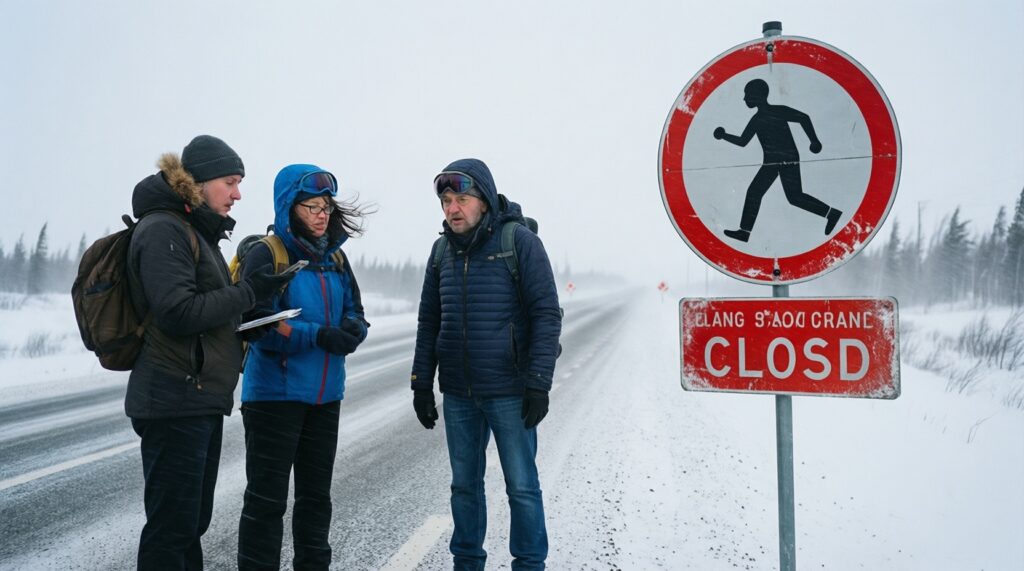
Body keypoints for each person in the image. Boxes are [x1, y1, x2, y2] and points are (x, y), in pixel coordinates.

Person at [126, 135, 295, 570]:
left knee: (189, 524)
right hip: (173, 397)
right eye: (230, 182)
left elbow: (206, 315)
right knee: (171, 529)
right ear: (198, 182)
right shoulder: (165, 228)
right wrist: (248, 291)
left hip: (196, 397)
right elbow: (178, 313)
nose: (238, 194)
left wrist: (249, 325)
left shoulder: (194, 231)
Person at [411, 158, 562, 570]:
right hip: (459, 393)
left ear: (485, 201)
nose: (452, 209)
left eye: (461, 198)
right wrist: (421, 383)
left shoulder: (518, 242)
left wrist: (538, 383)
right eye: (446, 201)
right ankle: (467, 563)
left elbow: (547, 313)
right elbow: (429, 321)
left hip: (510, 391)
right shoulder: (441, 251)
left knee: (522, 487)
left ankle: (530, 564)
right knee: (464, 487)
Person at [236, 164, 370, 570]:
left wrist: (352, 330)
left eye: (326, 206)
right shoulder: (268, 254)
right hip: (273, 398)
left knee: (316, 500)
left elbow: (357, 313)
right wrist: (317, 335)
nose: (321, 214)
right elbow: (254, 324)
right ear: (288, 207)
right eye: (310, 206)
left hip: (325, 398)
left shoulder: (337, 258)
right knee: (266, 502)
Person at [713, 78, 842, 242]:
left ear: (757, 95)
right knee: (774, 195)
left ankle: (832, 213)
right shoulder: (756, 119)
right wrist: (724, 136)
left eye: (747, 95)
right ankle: (831, 213)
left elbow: (803, 117)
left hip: (786, 159)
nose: (744, 98)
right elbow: (743, 141)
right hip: (773, 161)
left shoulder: (777, 111)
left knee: (780, 195)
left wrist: (814, 140)